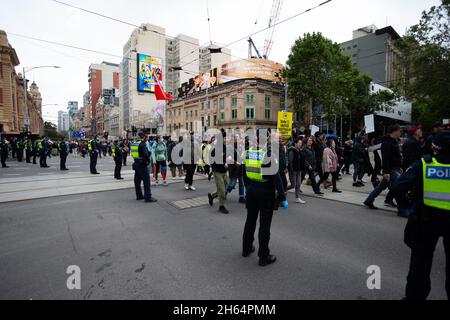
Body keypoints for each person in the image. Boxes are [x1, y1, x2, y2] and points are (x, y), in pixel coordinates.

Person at [391, 131, 450, 300]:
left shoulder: (424, 164)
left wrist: (408, 208)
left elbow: (398, 188)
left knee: (420, 265)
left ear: (434, 148)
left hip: (426, 221)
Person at [242, 130, 288, 267]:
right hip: (265, 192)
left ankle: (246, 248)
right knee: (264, 225)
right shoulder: (268, 154)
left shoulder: (248, 153)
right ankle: (263, 256)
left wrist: (248, 188)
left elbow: (244, 174)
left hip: (251, 191)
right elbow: (276, 177)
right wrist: (282, 196)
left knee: (250, 221)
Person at [364, 124, 403, 211]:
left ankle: (369, 200)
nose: (401, 133)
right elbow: (385, 158)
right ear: (395, 131)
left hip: (394, 168)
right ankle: (402, 206)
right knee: (398, 187)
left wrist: (399, 166)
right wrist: (386, 172)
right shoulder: (387, 142)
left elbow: (396, 156)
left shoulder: (393, 141)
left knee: (382, 186)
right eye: (399, 131)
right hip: (391, 169)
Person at [208, 132, 230, 214]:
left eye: (227, 138)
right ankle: (221, 206)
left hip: (224, 171)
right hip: (217, 172)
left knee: (225, 188)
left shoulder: (225, 148)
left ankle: (212, 196)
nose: (226, 140)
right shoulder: (215, 149)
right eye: (225, 138)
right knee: (222, 190)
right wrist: (222, 164)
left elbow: (227, 157)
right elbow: (212, 160)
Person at [131, 132, 156, 203]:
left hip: (136, 164)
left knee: (137, 181)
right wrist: (148, 161)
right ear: (143, 137)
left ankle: (139, 195)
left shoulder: (134, 144)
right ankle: (148, 197)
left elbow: (133, 154)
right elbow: (145, 154)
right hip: (142, 164)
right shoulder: (142, 144)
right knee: (146, 181)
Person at [226, 134, 246, 204]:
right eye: (236, 138)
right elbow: (228, 157)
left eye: (239, 137)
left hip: (240, 167)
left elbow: (243, 155)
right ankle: (225, 192)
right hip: (233, 167)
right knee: (232, 183)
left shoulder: (241, 146)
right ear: (233, 138)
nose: (238, 139)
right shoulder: (229, 146)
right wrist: (235, 162)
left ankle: (241, 197)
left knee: (241, 183)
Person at [288, 137, 306, 204]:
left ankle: (297, 198)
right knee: (293, 185)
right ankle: (282, 190)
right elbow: (290, 161)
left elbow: (302, 159)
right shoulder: (292, 150)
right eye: (299, 143)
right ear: (295, 143)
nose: (300, 144)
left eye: (301, 143)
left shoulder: (300, 151)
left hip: (299, 170)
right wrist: (291, 170)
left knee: (298, 184)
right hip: (293, 170)